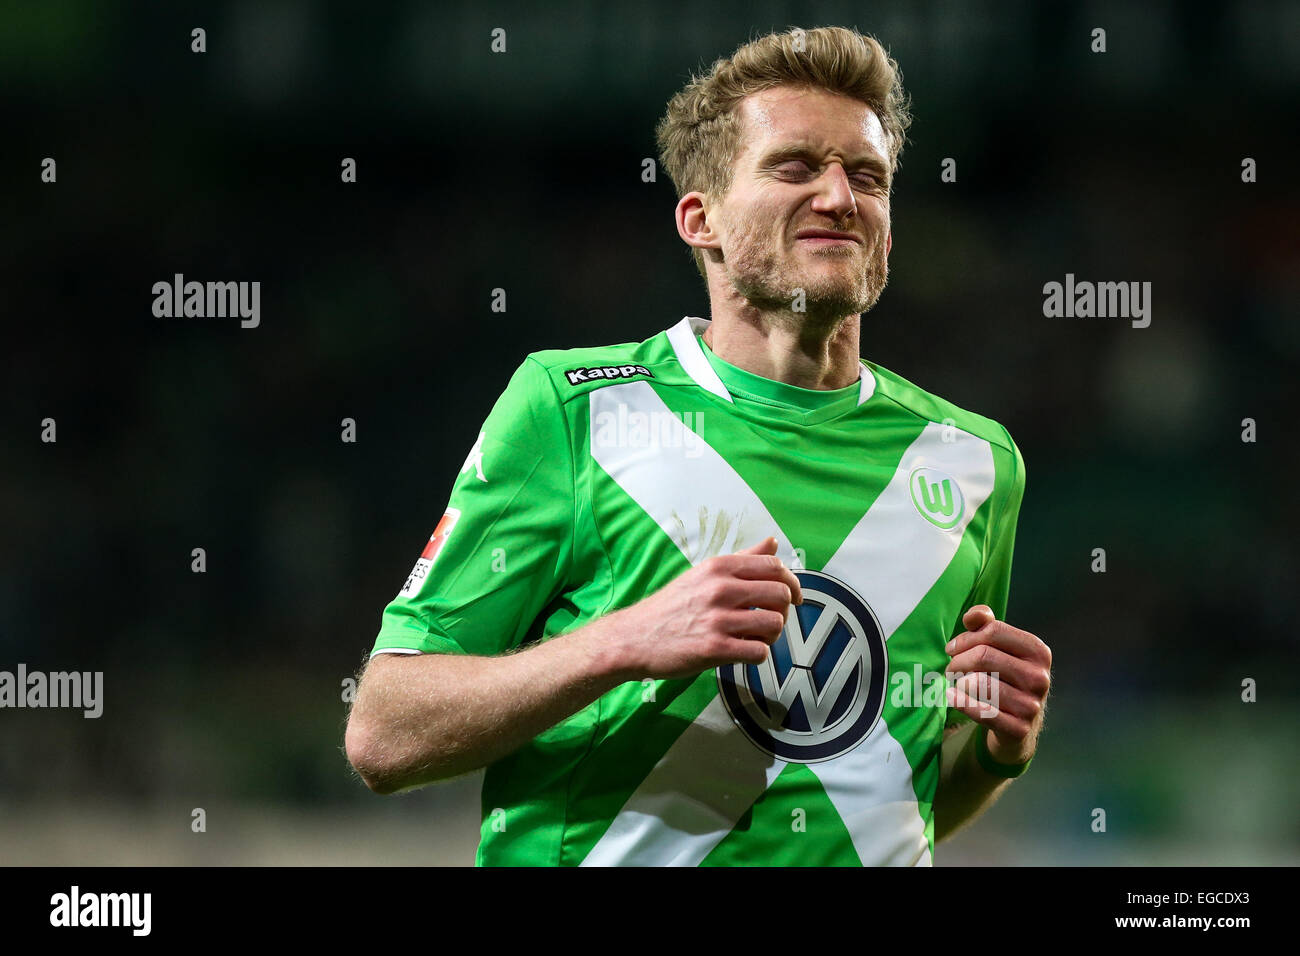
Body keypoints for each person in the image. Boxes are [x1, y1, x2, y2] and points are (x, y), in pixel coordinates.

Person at [345, 25, 1051, 866]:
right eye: (795, 167)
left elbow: (896, 790)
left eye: (867, 177)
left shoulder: (972, 460)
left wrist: (999, 749)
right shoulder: (575, 411)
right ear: (701, 218)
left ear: (889, 231)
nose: (839, 197)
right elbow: (384, 733)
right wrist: (624, 640)